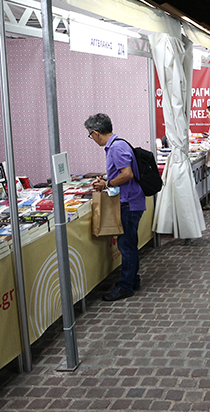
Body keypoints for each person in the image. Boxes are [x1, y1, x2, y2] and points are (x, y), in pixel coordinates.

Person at [84, 113, 146, 302]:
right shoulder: (117, 145)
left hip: (128, 202)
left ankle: (125, 286)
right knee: (129, 244)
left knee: (126, 246)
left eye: (90, 135)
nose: (92, 139)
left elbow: (126, 174)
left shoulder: (116, 147)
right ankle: (132, 280)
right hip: (130, 200)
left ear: (96, 132)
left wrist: (107, 184)